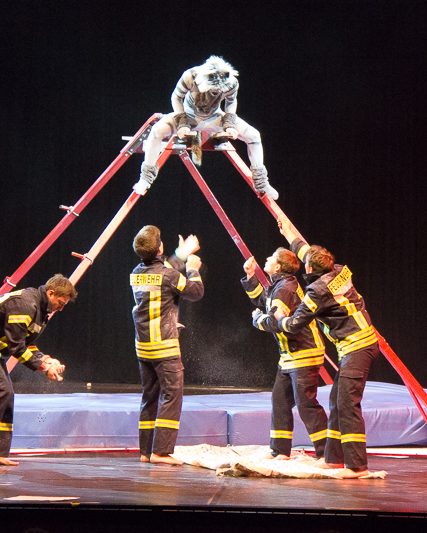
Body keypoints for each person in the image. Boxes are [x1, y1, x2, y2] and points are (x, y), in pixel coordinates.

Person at [253, 217, 379, 478]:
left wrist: (278, 319)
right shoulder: (339, 269)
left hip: (358, 348)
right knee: (337, 402)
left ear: (311, 268)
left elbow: (294, 324)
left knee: (347, 405)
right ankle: (332, 460)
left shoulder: (317, 291)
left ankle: (357, 466)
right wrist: (289, 232)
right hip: (356, 347)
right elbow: (306, 251)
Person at [0, 274, 76, 465]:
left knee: (6, 395)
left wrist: (47, 360)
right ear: (51, 293)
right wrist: (44, 367)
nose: (61, 308)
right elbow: (16, 348)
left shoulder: (40, 310)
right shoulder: (26, 304)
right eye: (60, 303)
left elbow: (26, 343)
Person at [133, 55, 278, 200]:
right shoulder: (190, 76)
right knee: (156, 131)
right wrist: (182, 123)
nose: (215, 92)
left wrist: (229, 125)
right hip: (189, 115)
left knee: (254, 135)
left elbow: (231, 102)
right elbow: (176, 97)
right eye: (213, 89)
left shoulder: (232, 82)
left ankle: (261, 183)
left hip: (214, 117)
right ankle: (145, 179)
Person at [242, 249, 328, 459]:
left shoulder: (285, 288)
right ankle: (280, 451)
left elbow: (275, 322)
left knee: (306, 405)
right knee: (280, 401)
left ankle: (328, 453)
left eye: (271, 257)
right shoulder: (280, 285)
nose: (266, 258)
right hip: (290, 356)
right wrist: (251, 275)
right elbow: (262, 299)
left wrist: (257, 320)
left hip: (304, 353)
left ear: (278, 266)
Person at [131, 226, 204, 465]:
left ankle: (146, 451)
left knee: (149, 397)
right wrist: (192, 267)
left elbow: (163, 271)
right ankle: (161, 452)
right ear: (160, 247)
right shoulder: (169, 275)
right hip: (165, 347)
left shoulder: (136, 273)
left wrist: (181, 254)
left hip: (144, 348)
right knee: (172, 395)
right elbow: (195, 291)